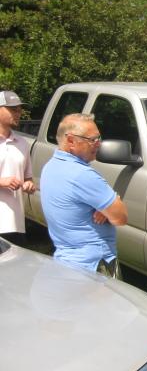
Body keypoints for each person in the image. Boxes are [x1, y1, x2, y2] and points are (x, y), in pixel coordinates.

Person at [40, 113, 127, 277]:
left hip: (66, 261)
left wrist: (105, 207)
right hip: (95, 267)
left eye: (99, 138)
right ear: (71, 140)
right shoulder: (82, 175)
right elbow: (120, 217)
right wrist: (112, 202)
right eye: (92, 140)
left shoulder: (51, 166)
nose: (98, 144)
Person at [0, 90, 36, 246]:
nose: (18, 113)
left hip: (16, 224)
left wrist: (29, 184)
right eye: (13, 109)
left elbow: (28, 178)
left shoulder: (22, 143)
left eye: (19, 109)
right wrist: (2, 182)